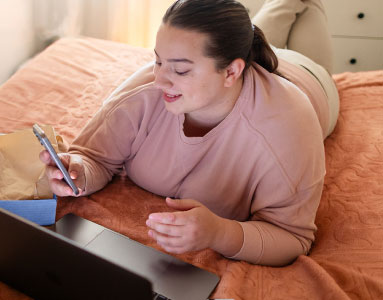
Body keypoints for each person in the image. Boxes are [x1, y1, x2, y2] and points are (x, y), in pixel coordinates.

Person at [39, 0, 339, 267]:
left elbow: (291, 236)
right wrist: (77, 172)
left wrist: (221, 233)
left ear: (232, 72)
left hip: (309, 78)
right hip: (238, 60)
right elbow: (94, 159)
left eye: (180, 71)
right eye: (157, 60)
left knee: (304, 8)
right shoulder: (144, 92)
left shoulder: (287, 125)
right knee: (253, 32)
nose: (159, 80)